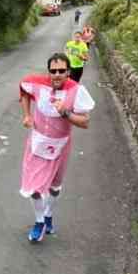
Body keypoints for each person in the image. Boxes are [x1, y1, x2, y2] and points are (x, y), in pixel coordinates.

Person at [19, 53, 95, 242]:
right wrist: (27, 115)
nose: (57, 75)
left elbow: (85, 122)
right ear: (49, 72)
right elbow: (24, 89)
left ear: (68, 72)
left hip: (60, 145)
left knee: (54, 187)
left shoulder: (76, 90)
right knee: (34, 188)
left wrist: (65, 112)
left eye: (61, 71)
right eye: (53, 71)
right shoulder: (37, 83)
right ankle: (39, 222)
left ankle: (48, 214)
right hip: (37, 142)